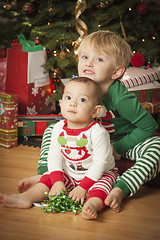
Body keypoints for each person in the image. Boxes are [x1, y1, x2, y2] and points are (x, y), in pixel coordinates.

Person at [17, 30, 160, 213]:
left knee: (156, 146)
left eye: (99, 59)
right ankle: (47, 174)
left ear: (116, 71)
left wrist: (118, 148)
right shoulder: (79, 86)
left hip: (121, 142)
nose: (88, 63)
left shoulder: (120, 98)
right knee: (52, 130)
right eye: (84, 57)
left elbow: (149, 126)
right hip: (91, 141)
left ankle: (121, 188)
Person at [0, 77, 118, 220]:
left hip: (99, 175)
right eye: (68, 97)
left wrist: (83, 187)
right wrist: (58, 182)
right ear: (61, 104)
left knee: (101, 188)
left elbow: (100, 163)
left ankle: (91, 206)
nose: (73, 103)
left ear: (95, 111)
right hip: (71, 171)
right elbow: (54, 156)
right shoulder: (57, 128)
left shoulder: (98, 132)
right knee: (49, 177)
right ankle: (26, 198)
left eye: (82, 100)